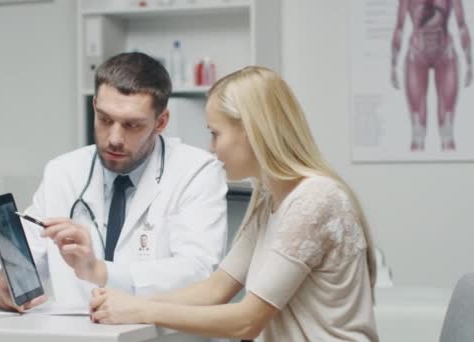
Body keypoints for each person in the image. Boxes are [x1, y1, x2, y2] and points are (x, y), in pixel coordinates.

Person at [90, 66, 379, 341]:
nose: (211, 148)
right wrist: (127, 303)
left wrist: (141, 310)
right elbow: (216, 289)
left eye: (215, 134)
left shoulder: (315, 200)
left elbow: (248, 320)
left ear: (253, 132)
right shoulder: (270, 198)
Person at [0, 52, 228, 312]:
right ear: (94, 106)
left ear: (161, 122)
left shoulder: (197, 171)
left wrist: (101, 271)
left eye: (132, 125)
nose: (114, 139)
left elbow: (197, 271)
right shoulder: (64, 171)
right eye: (105, 120)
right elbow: (22, 254)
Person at [391, 0, 472, 151]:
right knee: (417, 132)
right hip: (417, 54)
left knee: (447, 131)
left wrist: (469, 63)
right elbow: (399, 27)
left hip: (445, 54)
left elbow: (461, 24)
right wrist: (393, 66)